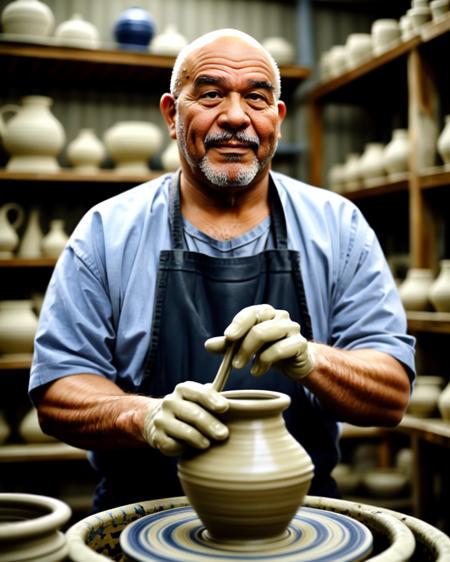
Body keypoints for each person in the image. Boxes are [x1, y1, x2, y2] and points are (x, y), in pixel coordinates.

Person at [30, 28, 415, 513]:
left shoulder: (339, 228)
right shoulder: (107, 231)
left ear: (277, 119)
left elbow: (392, 393)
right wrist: (141, 415)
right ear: (172, 114)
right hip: (142, 514)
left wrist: (311, 360)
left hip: (299, 515)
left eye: (255, 98)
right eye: (211, 94)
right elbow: (58, 388)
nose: (235, 117)